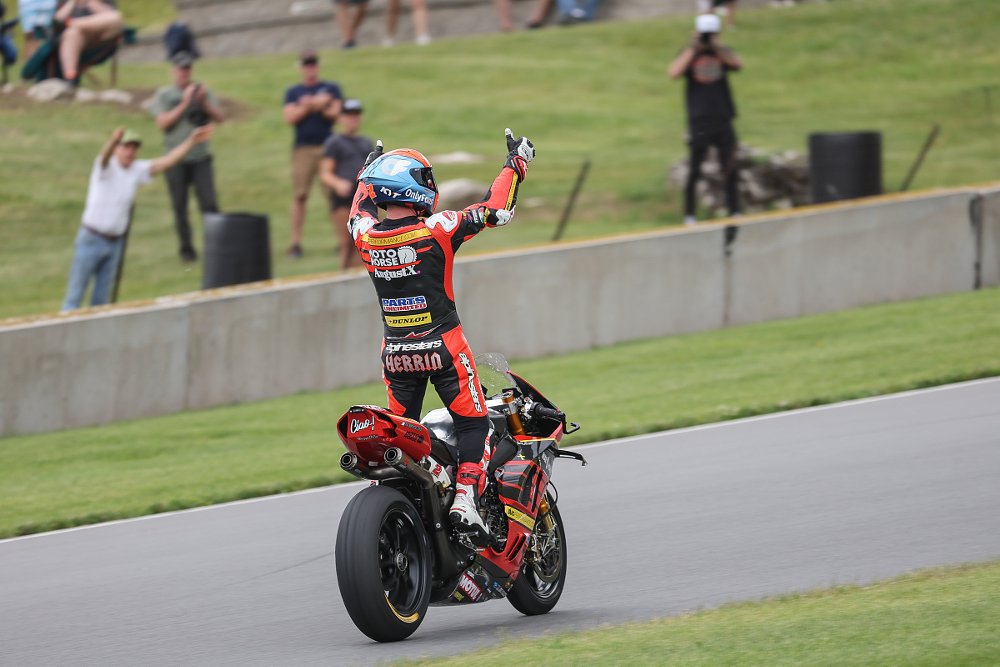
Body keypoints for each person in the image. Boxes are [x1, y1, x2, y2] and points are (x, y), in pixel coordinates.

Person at [348, 128, 535, 541]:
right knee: (475, 425)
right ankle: (466, 496)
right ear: (412, 188)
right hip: (445, 348)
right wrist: (515, 164)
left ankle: (397, 502)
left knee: (402, 431)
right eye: (424, 178)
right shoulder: (438, 228)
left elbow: (356, 210)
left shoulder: (364, 235)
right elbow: (496, 210)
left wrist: (366, 173)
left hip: (396, 356)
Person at [61, 125, 215, 311]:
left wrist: (191, 141)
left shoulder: (136, 170)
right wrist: (112, 140)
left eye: (134, 147)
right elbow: (104, 157)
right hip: (91, 238)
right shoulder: (106, 167)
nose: (130, 151)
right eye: (126, 146)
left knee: (101, 301)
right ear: (118, 148)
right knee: (74, 297)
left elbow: (167, 162)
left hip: (115, 243)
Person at [150, 49, 225, 263]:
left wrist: (202, 102)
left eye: (187, 68)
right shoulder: (165, 95)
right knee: (180, 207)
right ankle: (186, 250)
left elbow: (220, 117)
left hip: (201, 157)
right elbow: (163, 123)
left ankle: (217, 247)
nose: (184, 73)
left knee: (209, 204)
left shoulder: (201, 91)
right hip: (175, 159)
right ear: (173, 71)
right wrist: (184, 103)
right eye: (180, 69)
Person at [668, 13, 742, 225]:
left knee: (729, 165)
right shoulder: (689, 53)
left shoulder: (723, 52)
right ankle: (689, 214)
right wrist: (694, 48)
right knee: (695, 167)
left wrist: (717, 47)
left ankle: (734, 210)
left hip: (723, 116)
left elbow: (737, 64)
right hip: (699, 118)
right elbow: (673, 73)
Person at [282, 48, 343, 259]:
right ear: (301, 67)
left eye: (313, 64)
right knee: (300, 195)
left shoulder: (331, 87)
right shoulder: (293, 92)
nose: (310, 68)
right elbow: (290, 117)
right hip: (303, 148)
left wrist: (310, 105)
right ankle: (295, 243)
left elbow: (336, 112)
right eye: (307, 64)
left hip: (328, 147)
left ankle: (342, 240)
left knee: (333, 195)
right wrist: (317, 104)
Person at [319, 98, 372, 270]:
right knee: (346, 242)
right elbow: (325, 173)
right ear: (341, 118)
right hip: (344, 198)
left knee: (365, 240)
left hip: (364, 197)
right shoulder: (334, 142)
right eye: (349, 115)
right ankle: (343, 276)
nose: (353, 119)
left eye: (355, 115)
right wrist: (338, 184)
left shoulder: (366, 143)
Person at [52, 0, 121, 83]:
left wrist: (90, 2)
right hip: (75, 38)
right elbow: (57, 20)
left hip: (102, 39)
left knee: (116, 17)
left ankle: (73, 23)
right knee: (71, 33)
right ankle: (70, 77)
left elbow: (111, 17)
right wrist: (72, 2)